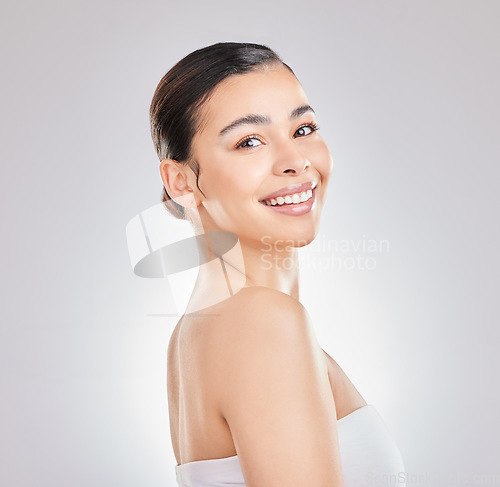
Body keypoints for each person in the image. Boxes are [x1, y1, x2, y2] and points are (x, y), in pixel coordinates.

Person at [149, 42, 406, 486]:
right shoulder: (261, 322)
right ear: (180, 182)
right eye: (249, 141)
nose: (295, 161)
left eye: (303, 128)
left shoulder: (197, 332)